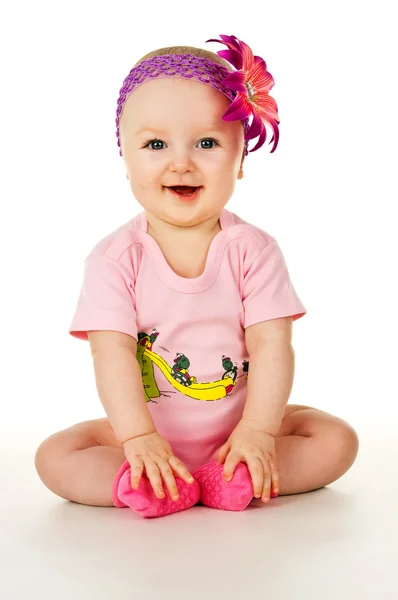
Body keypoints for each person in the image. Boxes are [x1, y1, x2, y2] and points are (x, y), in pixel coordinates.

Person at [35, 34, 359, 518]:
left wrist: (258, 430)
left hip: (240, 430)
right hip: (147, 432)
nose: (181, 160)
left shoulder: (253, 250)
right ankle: (152, 478)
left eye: (207, 142)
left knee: (336, 439)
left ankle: (232, 471)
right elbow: (113, 352)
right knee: (54, 457)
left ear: (241, 160)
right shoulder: (115, 257)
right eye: (155, 143)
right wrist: (139, 437)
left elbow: (273, 345)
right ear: (125, 157)